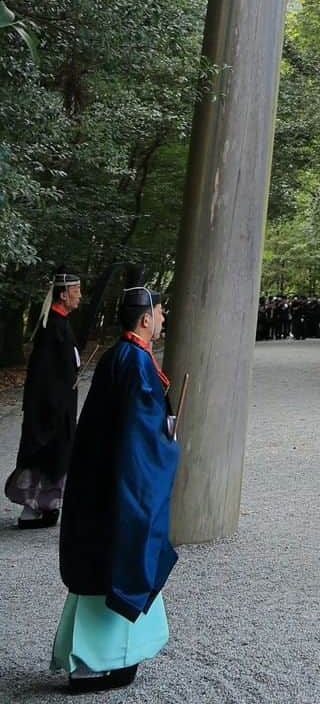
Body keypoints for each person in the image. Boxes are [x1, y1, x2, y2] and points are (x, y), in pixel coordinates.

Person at [51, 266, 180, 693]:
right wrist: (169, 446)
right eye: (160, 313)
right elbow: (142, 442)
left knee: (102, 571)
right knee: (119, 567)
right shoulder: (137, 364)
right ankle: (93, 666)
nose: (163, 320)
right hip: (121, 492)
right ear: (145, 318)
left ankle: (113, 660)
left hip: (102, 485)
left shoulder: (116, 356)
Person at [5, 267, 82, 529]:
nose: (80, 296)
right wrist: (55, 407)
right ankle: (31, 510)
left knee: (55, 457)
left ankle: (45, 507)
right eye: (76, 291)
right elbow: (45, 377)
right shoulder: (51, 329)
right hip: (50, 408)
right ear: (62, 294)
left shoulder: (60, 324)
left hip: (58, 406)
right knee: (43, 456)